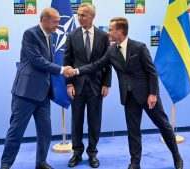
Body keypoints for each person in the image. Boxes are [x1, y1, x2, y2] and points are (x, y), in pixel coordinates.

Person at [73, 17, 183, 169]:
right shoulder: (111, 50)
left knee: (163, 126)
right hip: (129, 97)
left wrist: (153, 94)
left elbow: (152, 72)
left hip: (147, 95)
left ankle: (176, 156)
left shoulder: (139, 47)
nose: (108, 32)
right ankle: (135, 163)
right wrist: (76, 71)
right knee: (133, 132)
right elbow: (96, 65)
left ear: (119, 31)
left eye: (111, 30)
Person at [0, 8, 74, 169]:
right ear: (44, 20)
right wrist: (62, 70)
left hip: (43, 95)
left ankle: (40, 163)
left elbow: (46, 64)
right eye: (55, 21)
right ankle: (5, 164)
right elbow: (37, 61)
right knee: (16, 132)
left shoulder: (52, 37)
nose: (58, 25)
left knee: (45, 132)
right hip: (25, 93)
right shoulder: (30, 34)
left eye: (59, 21)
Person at [63, 3, 112, 168]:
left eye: (83, 15)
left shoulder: (103, 36)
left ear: (92, 16)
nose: (79, 17)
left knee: (94, 121)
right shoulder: (71, 35)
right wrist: (68, 84)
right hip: (76, 87)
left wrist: (106, 83)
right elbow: (67, 62)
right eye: (78, 14)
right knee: (76, 121)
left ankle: (92, 154)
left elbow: (108, 62)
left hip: (97, 86)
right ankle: (76, 154)